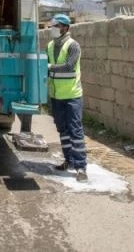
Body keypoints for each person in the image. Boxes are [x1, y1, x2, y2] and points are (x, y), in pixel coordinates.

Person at [46, 14, 88, 182]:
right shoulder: (50, 45)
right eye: (52, 25)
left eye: (56, 26)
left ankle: (81, 167)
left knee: (75, 130)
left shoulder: (73, 45)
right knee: (62, 130)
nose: (53, 28)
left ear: (65, 27)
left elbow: (69, 66)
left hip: (72, 96)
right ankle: (68, 160)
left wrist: (49, 66)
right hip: (56, 96)